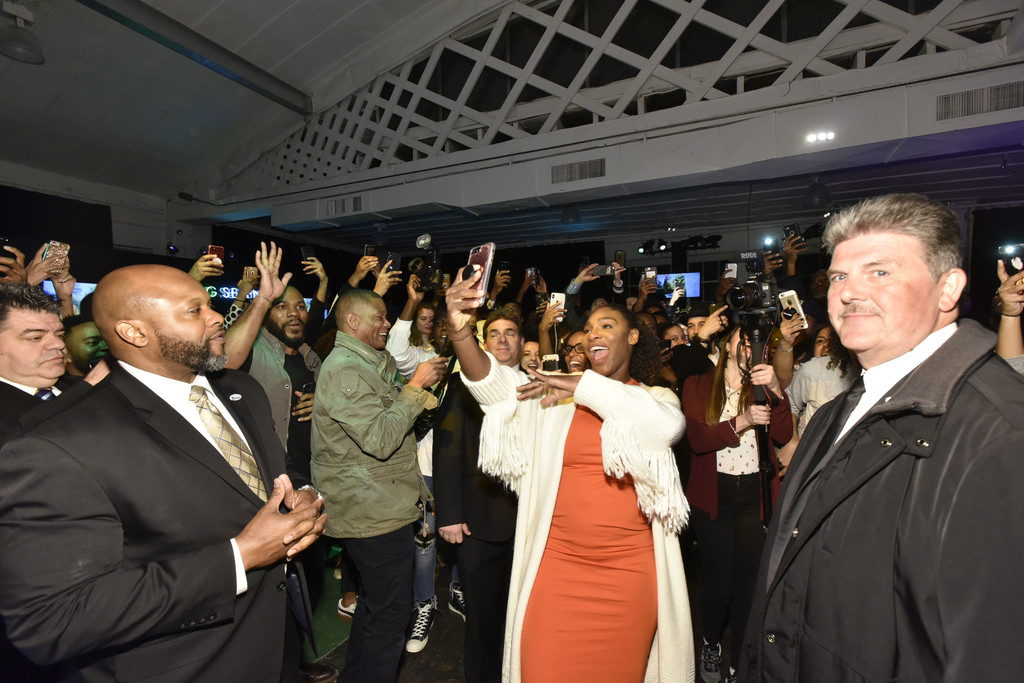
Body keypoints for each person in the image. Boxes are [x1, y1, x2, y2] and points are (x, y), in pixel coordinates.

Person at [741, 193, 1024, 681]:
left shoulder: (1000, 435)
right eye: (839, 277)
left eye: (879, 272)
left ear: (948, 289)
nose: (850, 292)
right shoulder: (837, 412)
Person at [0, 264, 326, 682]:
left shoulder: (241, 390)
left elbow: (277, 472)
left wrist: (303, 493)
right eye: (194, 311)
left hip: (276, 644)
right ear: (134, 332)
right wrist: (240, 556)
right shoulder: (60, 442)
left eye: (209, 305)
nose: (216, 317)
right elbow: (54, 620)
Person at [446, 267, 694, 683]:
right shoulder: (557, 401)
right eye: (589, 328)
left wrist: (581, 385)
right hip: (557, 568)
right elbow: (494, 386)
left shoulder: (655, 398)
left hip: (628, 578)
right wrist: (459, 333)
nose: (594, 333)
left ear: (633, 337)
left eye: (607, 325)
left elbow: (662, 428)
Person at [310, 288, 446, 683]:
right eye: (380, 317)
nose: (387, 324)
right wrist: (416, 386)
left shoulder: (370, 361)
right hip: (372, 512)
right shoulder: (346, 370)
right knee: (390, 616)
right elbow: (380, 438)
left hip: (380, 502)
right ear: (353, 321)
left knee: (374, 607)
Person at [681, 326, 792, 682]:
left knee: (748, 588)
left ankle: (739, 662)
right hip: (715, 496)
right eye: (742, 340)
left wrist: (777, 392)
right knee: (720, 587)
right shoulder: (698, 384)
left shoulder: (762, 385)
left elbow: (783, 435)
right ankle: (711, 643)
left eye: (755, 341)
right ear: (726, 345)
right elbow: (699, 439)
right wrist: (743, 420)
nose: (749, 347)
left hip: (754, 496)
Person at [434, 307, 521, 683]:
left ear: (521, 342)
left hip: (529, 524)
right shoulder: (463, 385)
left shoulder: (538, 384)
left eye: (510, 332)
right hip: (478, 523)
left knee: (520, 617)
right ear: (484, 344)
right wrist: (450, 514)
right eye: (495, 333)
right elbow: (447, 448)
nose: (502, 339)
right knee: (484, 622)